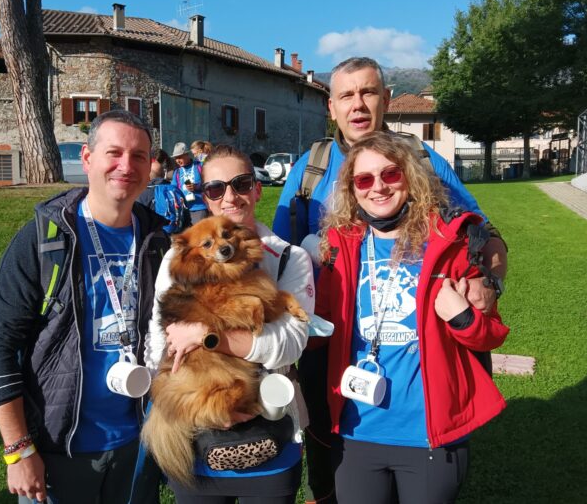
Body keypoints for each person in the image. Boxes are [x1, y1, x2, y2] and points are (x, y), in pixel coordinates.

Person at [271, 57, 507, 504]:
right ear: (331, 106)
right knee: (330, 470)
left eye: (368, 92)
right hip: (330, 346)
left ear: (386, 100)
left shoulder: (422, 161)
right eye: (346, 95)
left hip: (421, 354)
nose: (358, 104)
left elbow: (486, 237)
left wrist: (486, 287)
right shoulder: (311, 168)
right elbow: (280, 261)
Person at [0, 110, 170, 504]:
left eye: (138, 156)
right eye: (113, 153)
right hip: (56, 446)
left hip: (139, 444)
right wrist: (18, 449)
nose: (126, 166)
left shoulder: (159, 242)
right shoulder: (45, 239)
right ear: (87, 158)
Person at [315, 132, 509, 503]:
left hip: (428, 434)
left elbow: (490, 336)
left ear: (410, 177)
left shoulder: (449, 244)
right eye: (364, 179)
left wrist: (462, 316)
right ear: (352, 190)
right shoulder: (341, 247)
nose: (378, 188)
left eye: (391, 174)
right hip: (358, 430)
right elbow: (320, 329)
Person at [145, 145, 315, 503]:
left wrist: (208, 337)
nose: (229, 196)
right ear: (204, 196)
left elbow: (291, 343)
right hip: (198, 444)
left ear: (256, 189)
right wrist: (192, 403)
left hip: (271, 437)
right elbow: (158, 344)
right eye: (216, 188)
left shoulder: (289, 257)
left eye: (240, 183)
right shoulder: (180, 261)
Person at [137, 161, 191, 234]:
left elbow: (139, 221)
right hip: (177, 235)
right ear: (163, 174)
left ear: (147, 175)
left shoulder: (143, 194)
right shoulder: (176, 190)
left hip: (156, 238)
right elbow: (186, 215)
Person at [171, 141, 208, 223]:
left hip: (200, 208)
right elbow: (173, 190)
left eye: (179, 157)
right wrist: (177, 197)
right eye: (175, 158)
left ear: (187, 155)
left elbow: (209, 184)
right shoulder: (177, 172)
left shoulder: (200, 166)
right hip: (183, 210)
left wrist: (197, 187)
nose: (177, 160)